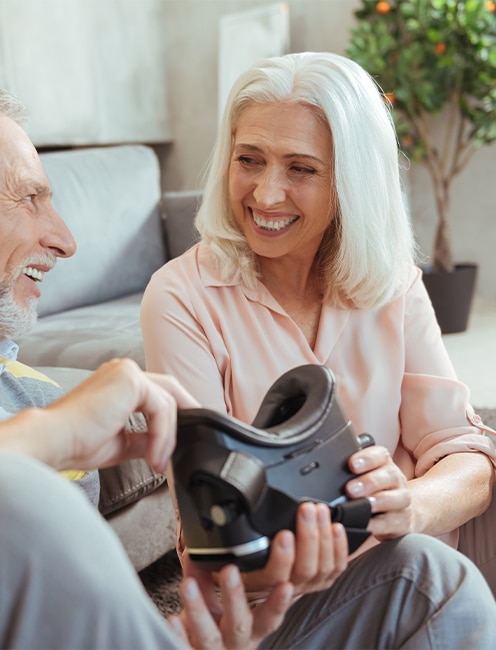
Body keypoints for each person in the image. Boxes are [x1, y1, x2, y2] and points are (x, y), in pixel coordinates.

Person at [0, 74, 494, 650]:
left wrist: (204, 636)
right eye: (31, 197)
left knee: (428, 578)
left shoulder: (32, 401)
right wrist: (38, 441)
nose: (65, 239)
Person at [141, 51, 496, 645]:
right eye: (249, 159)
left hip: (414, 569)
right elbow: (207, 536)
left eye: (301, 169)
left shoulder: (392, 283)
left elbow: (467, 457)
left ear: (350, 182)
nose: (266, 192)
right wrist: (334, 533)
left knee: (428, 562)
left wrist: (407, 503)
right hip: (278, 616)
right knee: (425, 572)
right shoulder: (181, 298)